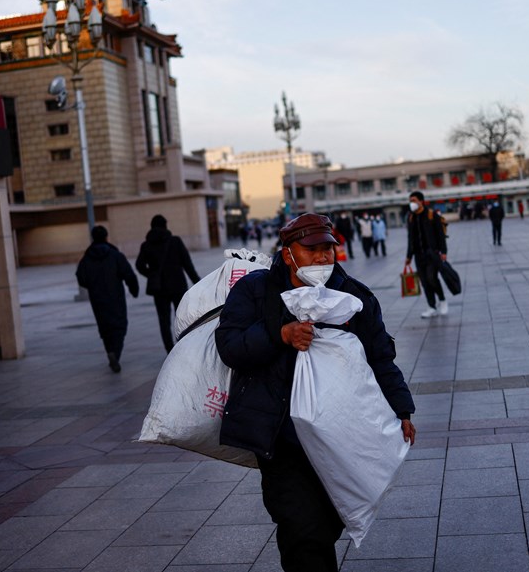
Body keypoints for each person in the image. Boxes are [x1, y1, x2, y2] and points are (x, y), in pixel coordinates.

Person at [215, 213, 416, 572]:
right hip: (283, 438)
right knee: (300, 527)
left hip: (339, 434)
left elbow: (380, 358)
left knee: (325, 522)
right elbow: (230, 346)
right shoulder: (256, 291)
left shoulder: (353, 297)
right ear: (288, 253)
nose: (323, 257)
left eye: (328, 248)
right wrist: (280, 334)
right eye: (311, 250)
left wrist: (402, 408)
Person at [75, 226, 139, 373]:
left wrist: (92, 285)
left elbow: (81, 277)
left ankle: (110, 351)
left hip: (97, 299)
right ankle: (115, 353)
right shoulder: (115, 255)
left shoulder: (86, 258)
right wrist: (134, 289)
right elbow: (128, 274)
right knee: (119, 326)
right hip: (115, 297)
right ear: (106, 237)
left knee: (105, 328)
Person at [135, 214, 202, 352]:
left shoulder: (146, 245)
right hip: (178, 286)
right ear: (165, 225)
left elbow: (139, 265)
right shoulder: (175, 241)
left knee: (164, 320)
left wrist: (151, 274)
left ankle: (170, 350)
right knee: (182, 318)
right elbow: (187, 265)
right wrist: (198, 282)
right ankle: (184, 345)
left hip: (159, 289)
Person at [404, 191, 448, 318]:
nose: (412, 203)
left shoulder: (431, 214)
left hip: (432, 254)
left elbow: (440, 235)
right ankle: (431, 306)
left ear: (421, 201)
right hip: (418, 255)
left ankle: (442, 300)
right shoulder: (411, 217)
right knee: (424, 282)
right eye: (410, 200)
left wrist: (443, 252)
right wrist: (409, 256)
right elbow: (410, 238)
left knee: (432, 278)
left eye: (414, 200)